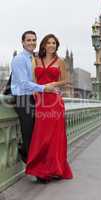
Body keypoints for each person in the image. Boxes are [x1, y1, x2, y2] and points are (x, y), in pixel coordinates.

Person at [25, 34, 73, 181]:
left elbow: (65, 80)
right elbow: (31, 79)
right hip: (40, 101)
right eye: (49, 42)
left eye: (54, 43)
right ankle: (40, 170)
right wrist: (36, 90)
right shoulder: (35, 60)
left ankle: (54, 169)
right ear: (44, 45)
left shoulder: (60, 61)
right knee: (41, 136)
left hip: (54, 102)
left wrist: (52, 85)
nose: (51, 45)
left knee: (54, 137)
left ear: (56, 46)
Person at [11, 31, 55, 163]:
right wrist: (44, 88)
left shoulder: (34, 58)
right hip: (22, 99)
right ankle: (33, 166)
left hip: (33, 98)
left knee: (38, 133)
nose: (32, 42)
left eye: (34, 40)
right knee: (29, 133)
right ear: (23, 42)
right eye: (28, 40)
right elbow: (23, 83)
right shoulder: (19, 59)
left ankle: (26, 153)